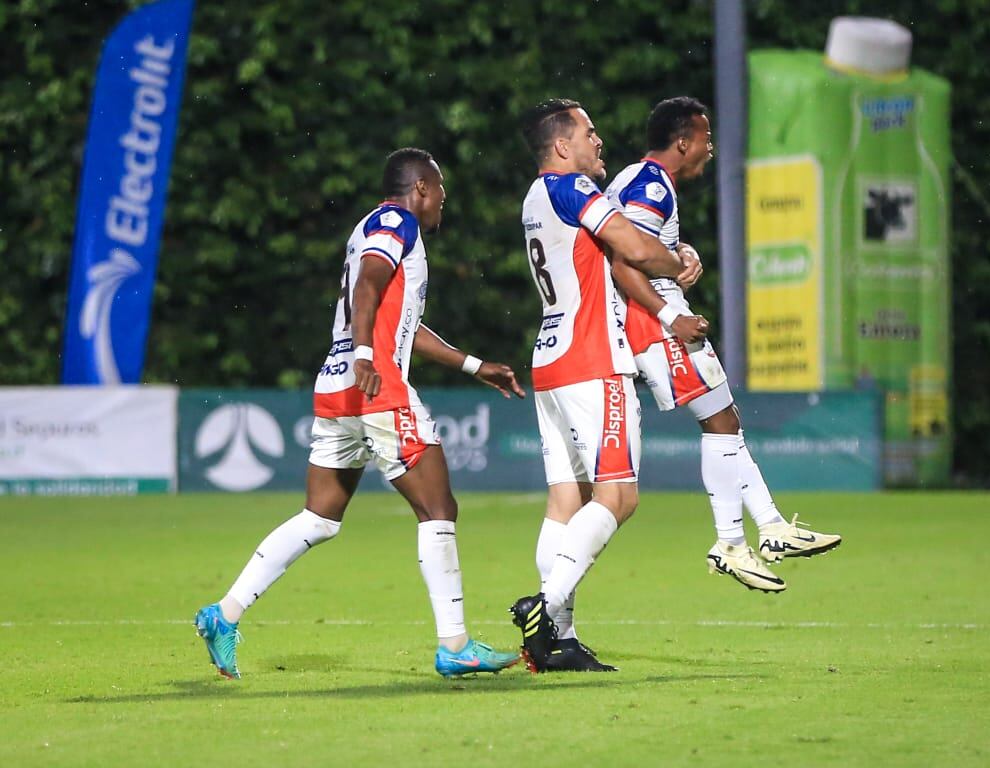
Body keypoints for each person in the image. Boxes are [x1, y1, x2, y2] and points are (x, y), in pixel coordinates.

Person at [194, 148, 524, 680]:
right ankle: (456, 645)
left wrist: (473, 365)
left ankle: (224, 614)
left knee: (321, 515)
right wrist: (368, 355)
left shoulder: (369, 227)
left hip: (337, 386)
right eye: (440, 191)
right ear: (420, 188)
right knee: (438, 507)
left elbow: (404, 326)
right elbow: (369, 284)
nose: (444, 202)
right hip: (376, 387)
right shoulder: (397, 221)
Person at [604, 97, 841, 593]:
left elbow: (643, 250)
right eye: (706, 139)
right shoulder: (650, 186)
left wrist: (680, 254)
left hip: (650, 317)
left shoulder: (639, 179)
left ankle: (768, 529)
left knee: (724, 419)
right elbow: (624, 263)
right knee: (719, 422)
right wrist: (672, 317)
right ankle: (733, 542)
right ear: (683, 141)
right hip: (652, 320)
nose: (710, 150)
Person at [509, 99, 708, 673]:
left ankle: (560, 641)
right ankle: (544, 609)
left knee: (566, 502)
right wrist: (680, 263)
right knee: (618, 497)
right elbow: (636, 246)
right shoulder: (570, 188)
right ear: (563, 146)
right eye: (589, 133)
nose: (599, 142)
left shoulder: (532, 197)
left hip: (551, 356)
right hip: (593, 359)